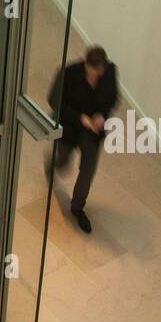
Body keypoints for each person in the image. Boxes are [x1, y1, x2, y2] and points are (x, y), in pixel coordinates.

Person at [46, 45, 119, 235]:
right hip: (69, 126)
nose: (96, 76)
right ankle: (52, 164)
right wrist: (81, 118)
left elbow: (112, 97)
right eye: (92, 72)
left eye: (99, 73)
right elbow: (54, 100)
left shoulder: (110, 72)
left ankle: (78, 207)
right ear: (86, 64)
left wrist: (102, 115)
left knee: (88, 169)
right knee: (63, 162)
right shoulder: (69, 73)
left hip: (91, 132)